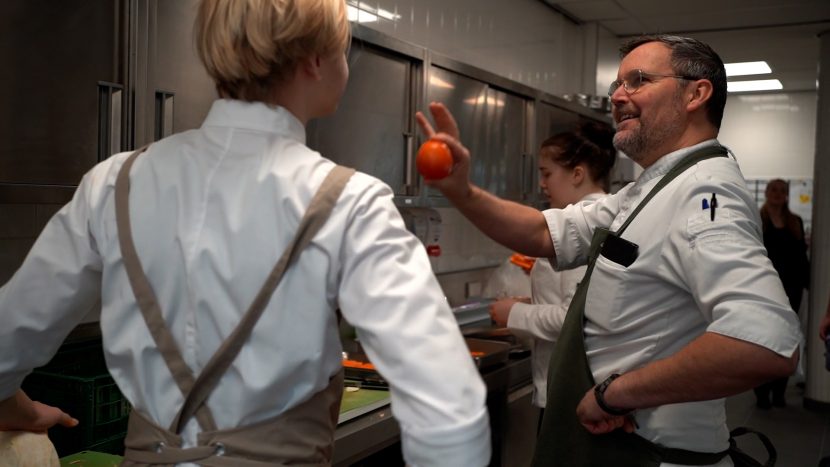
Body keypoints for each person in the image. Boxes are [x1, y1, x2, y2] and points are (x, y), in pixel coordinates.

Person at [0, 1, 491, 466]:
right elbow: (448, 410)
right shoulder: (352, 201)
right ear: (315, 60)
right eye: (344, 49)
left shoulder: (113, 183)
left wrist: (20, 412)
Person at [416, 34, 801, 467]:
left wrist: (615, 394)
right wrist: (462, 192)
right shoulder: (649, 189)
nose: (618, 96)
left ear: (697, 93)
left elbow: (766, 341)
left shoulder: (705, 192)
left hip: (643, 450)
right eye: (617, 84)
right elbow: (544, 233)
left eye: (638, 80)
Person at [488, 122, 615, 414]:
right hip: (579, 388)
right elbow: (580, 300)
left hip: (573, 393)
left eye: (547, 173)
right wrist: (530, 303)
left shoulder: (584, 228)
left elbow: (577, 319)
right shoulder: (588, 218)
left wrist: (514, 313)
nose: (542, 184)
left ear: (577, 174)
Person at [753, 178, 809, 408]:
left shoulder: (795, 221)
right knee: (763, 340)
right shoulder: (758, 220)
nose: (778, 194)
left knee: (786, 338)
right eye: (774, 190)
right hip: (764, 289)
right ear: (766, 192)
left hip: (791, 289)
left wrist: (808, 283)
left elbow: (801, 258)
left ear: (787, 195)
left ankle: (779, 391)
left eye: (782, 191)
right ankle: (762, 391)